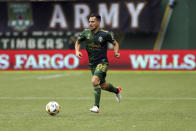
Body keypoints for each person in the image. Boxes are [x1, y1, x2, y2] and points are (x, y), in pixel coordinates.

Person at [75, 13, 122, 113]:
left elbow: (115, 43)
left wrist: (116, 52)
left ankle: (96, 107)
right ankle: (117, 91)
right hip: (92, 64)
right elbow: (78, 42)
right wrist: (77, 51)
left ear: (98, 22)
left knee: (94, 80)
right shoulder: (85, 33)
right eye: (89, 21)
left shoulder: (105, 34)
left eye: (92, 21)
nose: (90, 23)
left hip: (103, 62)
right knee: (103, 85)